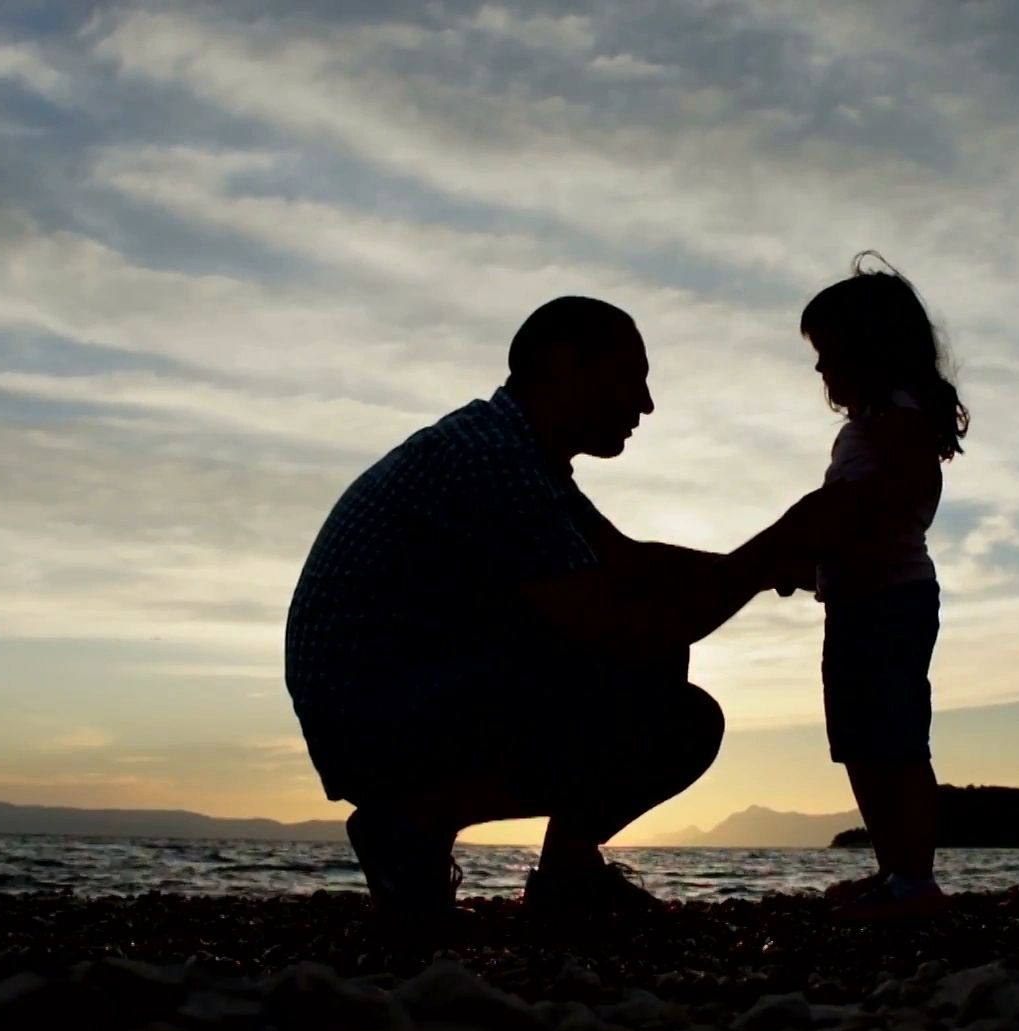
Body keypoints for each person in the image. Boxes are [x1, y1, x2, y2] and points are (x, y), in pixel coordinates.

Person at [285, 296, 826, 924]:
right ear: (567, 365)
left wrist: (772, 560)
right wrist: (761, 561)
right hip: (379, 714)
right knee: (679, 717)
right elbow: (615, 627)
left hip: (388, 697)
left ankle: (548, 866)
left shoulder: (514, 451)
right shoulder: (495, 460)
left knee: (654, 656)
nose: (646, 404)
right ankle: (416, 822)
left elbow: (623, 561)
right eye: (632, 377)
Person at [786, 253, 969, 921]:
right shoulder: (867, 426)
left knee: (895, 738)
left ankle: (915, 881)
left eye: (827, 351)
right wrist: (811, 563)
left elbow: (895, 499)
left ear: (870, 349)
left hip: (892, 599)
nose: (818, 368)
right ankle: (893, 871)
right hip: (855, 601)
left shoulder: (899, 416)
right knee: (859, 739)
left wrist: (832, 539)